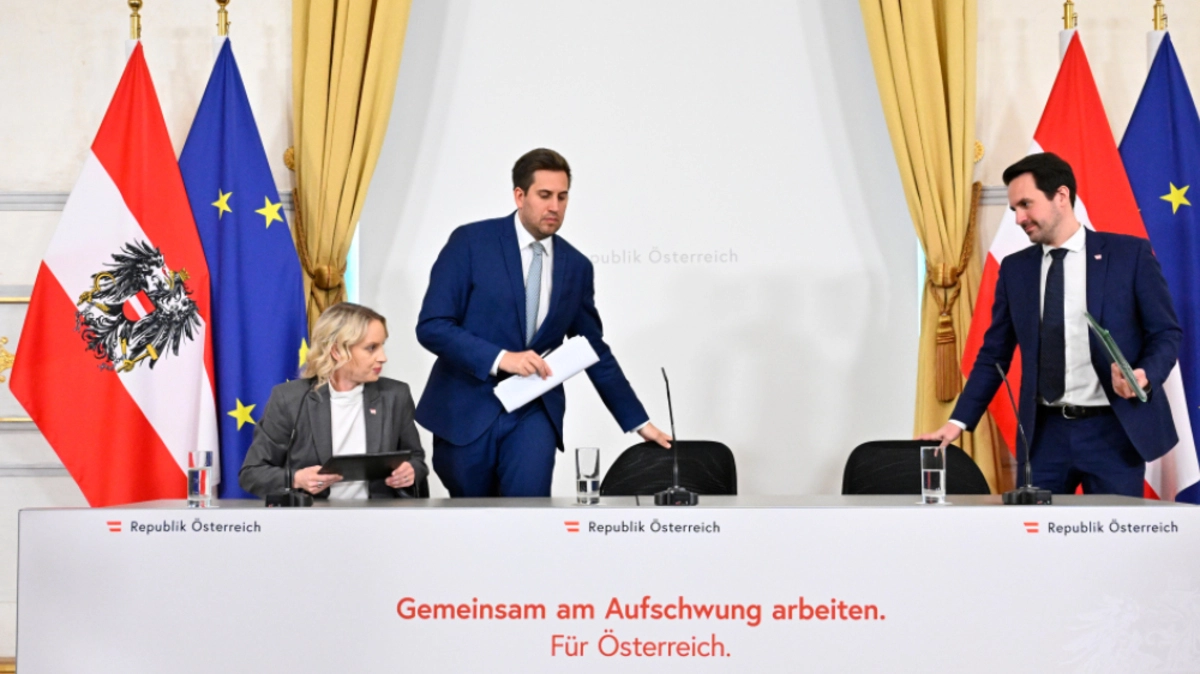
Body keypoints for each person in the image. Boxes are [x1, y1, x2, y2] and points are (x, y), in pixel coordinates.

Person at [919, 152, 1181, 496]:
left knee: (1114, 531)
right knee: (1033, 529)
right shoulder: (1015, 270)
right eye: (1014, 209)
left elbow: (1165, 333)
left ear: (1061, 196)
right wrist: (957, 422)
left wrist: (1145, 374)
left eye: (1026, 205)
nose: (1019, 218)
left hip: (1114, 432)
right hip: (1044, 437)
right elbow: (994, 355)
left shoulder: (1129, 256)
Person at [415, 148, 671, 497]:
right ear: (520, 196)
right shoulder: (471, 243)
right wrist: (501, 358)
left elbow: (592, 348)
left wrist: (638, 422)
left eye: (562, 197)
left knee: (528, 515)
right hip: (465, 409)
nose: (555, 206)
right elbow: (433, 326)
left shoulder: (576, 266)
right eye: (545, 195)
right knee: (473, 520)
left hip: (534, 411)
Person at [239, 302, 428, 499]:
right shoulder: (289, 399)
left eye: (382, 346)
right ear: (337, 351)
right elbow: (252, 473)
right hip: (313, 514)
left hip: (380, 513)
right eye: (371, 348)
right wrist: (296, 479)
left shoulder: (396, 395)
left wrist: (410, 471)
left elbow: (416, 459)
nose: (383, 357)